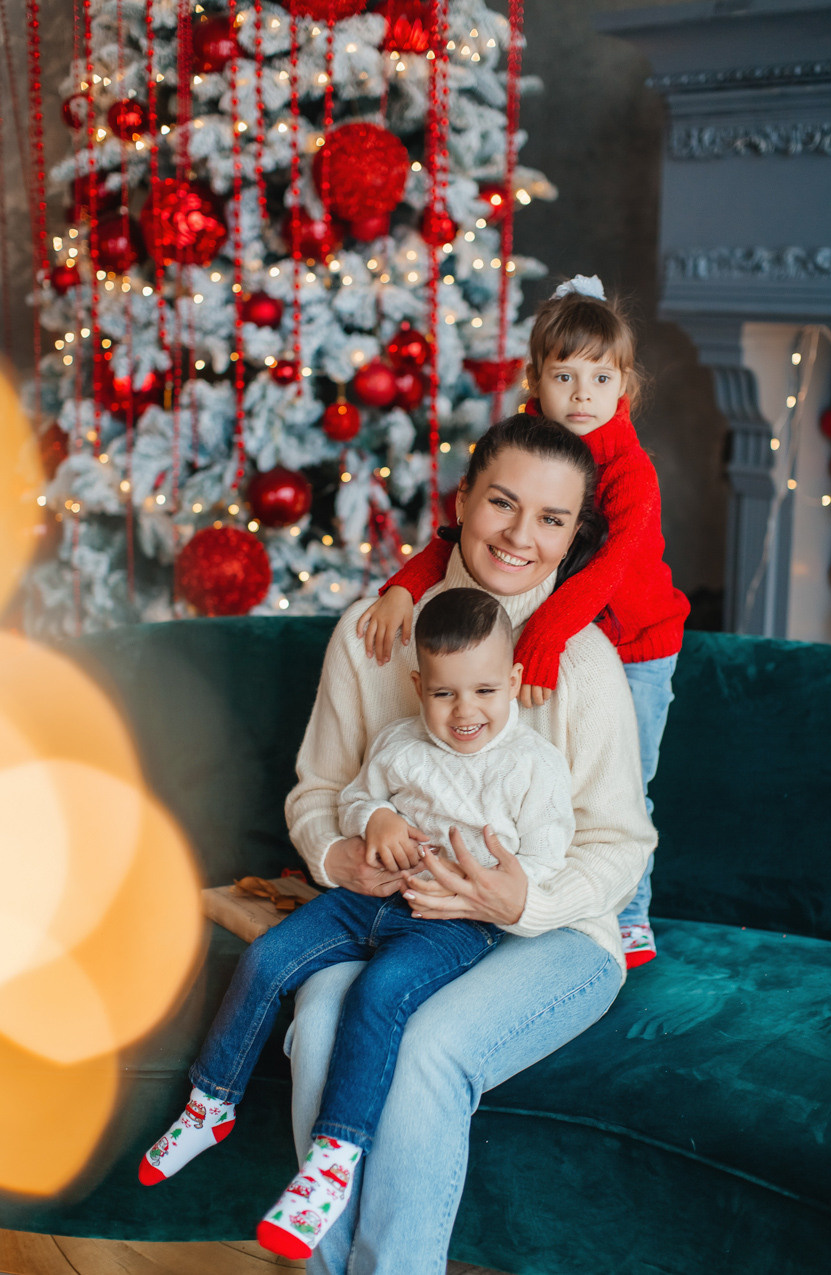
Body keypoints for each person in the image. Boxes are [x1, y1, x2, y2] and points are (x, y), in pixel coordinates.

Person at [283, 412, 656, 1275]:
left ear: (574, 532)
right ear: (462, 501)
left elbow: (618, 840)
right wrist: (340, 856)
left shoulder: (584, 662)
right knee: (322, 1019)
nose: (522, 536)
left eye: (552, 519)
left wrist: (524, 897)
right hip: (397, 918)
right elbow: (320, 792)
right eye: (503, 503)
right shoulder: (372, 636)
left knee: (428, 1045)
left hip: (555, 933)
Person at [138, 585, 578, 1261]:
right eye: (444, 694)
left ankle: (332, 1161)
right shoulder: (401, 743)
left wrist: (487, 884)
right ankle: (211, 1103)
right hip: (369, 899)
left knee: (378, 994)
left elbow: (548, 858)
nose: (466, 712)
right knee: (267, 959)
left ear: (514, 682)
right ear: (418, 685)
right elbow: (355, 797)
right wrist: (377, 819)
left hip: (451, 920)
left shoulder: (532, 765)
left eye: (486, 691)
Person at [358, 275, 689, 968]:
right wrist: (402, 588)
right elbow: (464, 532)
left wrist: (544, 636)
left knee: (629, 782)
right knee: (529, 765)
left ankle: (628, 915)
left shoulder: (631, 473)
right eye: (565, 377)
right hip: (561, 630)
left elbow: (605, 572)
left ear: (625, 387)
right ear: (535, 379)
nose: (582, 395)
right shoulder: (524, 447)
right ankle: (521, 883)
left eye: (601, 378)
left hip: (633, 643)